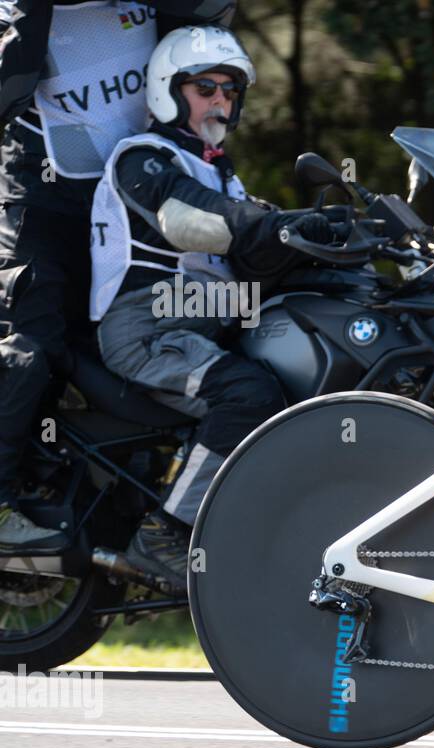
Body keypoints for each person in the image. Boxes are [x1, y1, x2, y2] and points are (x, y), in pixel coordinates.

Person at [90, 24, 334, 590]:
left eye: (229, 91)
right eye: (205, 87)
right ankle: (166, 533)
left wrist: (343, 235)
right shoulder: (143, 157)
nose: (220, 100)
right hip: (148, 324)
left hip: (206, 317)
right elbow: (192, 219)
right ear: (168, 91)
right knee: (247, 392)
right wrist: (280, 225)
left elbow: (257, 251)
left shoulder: (223, 174)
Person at [0, 1, 235, 552]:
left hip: (134, 203)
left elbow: (209, 37)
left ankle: (139, 524)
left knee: (158, 350)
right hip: (43, 204)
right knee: (31, 348)